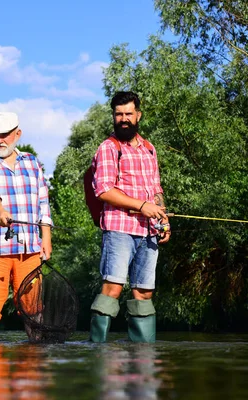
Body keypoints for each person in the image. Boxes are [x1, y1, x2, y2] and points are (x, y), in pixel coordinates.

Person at [89, 91, 171, 343]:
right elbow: (103, 190)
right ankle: (98, 350)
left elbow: (156, 188)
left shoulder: (149, 149)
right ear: (114, 116)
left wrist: (164, 219)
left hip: (149, 231)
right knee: (112, 289)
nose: (123, 119)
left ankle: (144, 355)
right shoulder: (108, 148)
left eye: (128, 114)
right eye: (118, 114)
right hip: (119, 229)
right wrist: (142, 206)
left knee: (144, 293)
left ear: (138, 115)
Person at [0, 111, 52, 344]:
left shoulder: (32, 161)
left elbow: (43, 203)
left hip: (30, 248)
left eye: (4, 135)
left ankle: (35, 361)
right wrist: (0, 211)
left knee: (33, 307)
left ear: (18, 134)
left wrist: (46, 237)